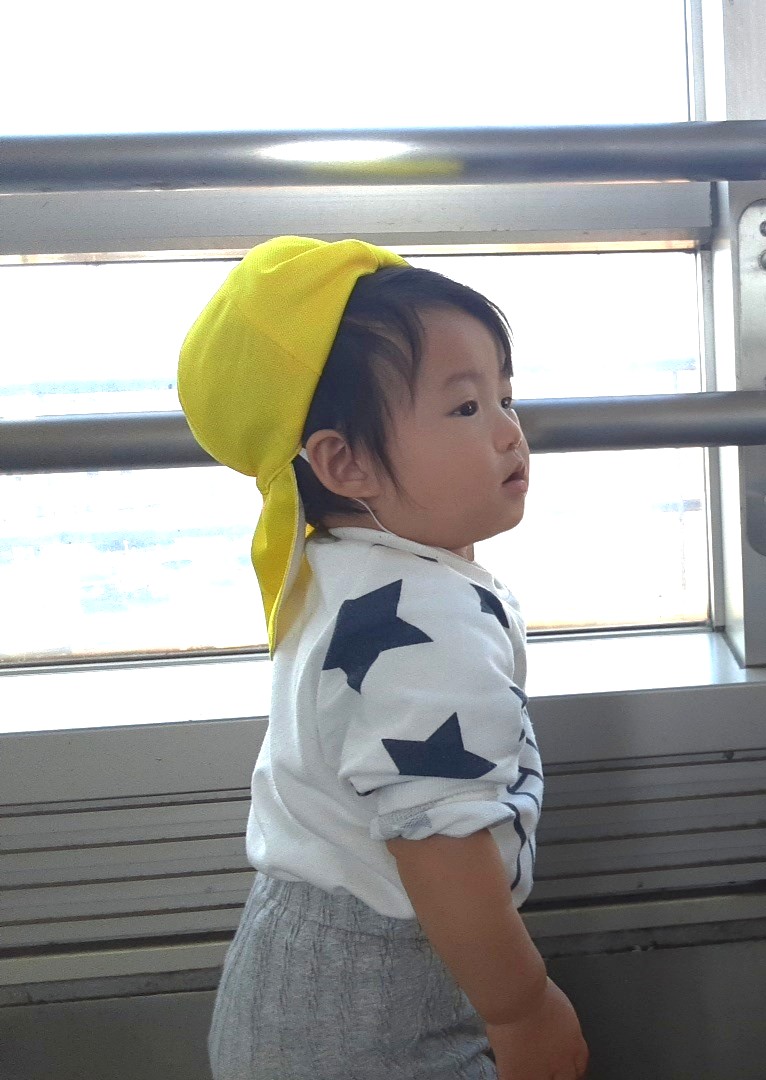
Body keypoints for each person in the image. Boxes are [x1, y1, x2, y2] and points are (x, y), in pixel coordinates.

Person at [180, 236, 588, 1080]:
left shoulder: (337, 566)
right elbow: (440, 848)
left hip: (297, 969)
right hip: (371, 1011)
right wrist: (525, 1009)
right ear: (345, 461)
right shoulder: (429, 617)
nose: (510, 432)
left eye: (506, 396)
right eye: (465, 408)